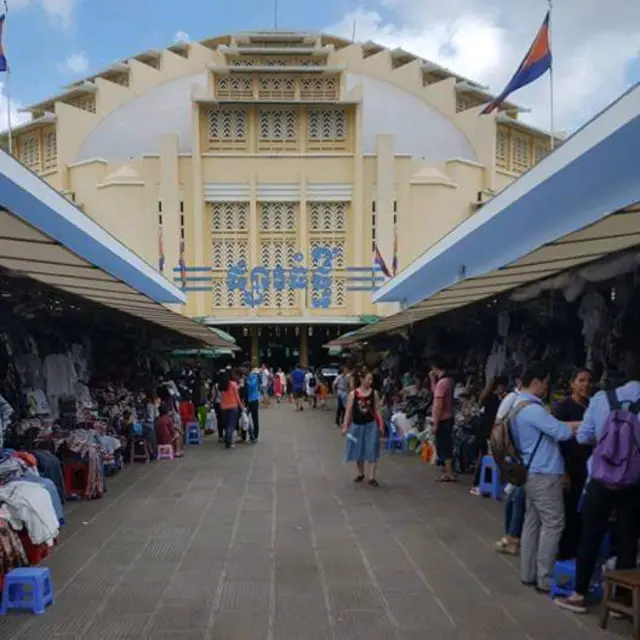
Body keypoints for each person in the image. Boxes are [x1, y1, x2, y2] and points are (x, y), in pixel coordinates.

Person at [556, 307, 640, 614]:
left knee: (590, 534)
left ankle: (578, 595)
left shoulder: (603, 399)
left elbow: (583, 437)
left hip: (600, 479)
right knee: (628, 540)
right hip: (634, 482)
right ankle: (623, 600)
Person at [510, 362, 578, 593]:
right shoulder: (533, 409)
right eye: (546, 383)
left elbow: (554, 427)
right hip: (544, 473)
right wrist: (586, 425)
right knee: (554, 523)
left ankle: (528, 573)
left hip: (530, 472)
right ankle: (545, 578)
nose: (548, 387)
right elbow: (560, 432)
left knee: (532, 522)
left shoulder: (517, 405)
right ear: (536, 382)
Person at [551, 368, 593, 560]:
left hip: (588, 467)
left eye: (588, 381)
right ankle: (564, 555)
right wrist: (564, 471)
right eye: (581, 380)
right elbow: (557, 441)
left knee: (583, 513)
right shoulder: (563, 408)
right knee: (568, 512)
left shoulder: (591, 406)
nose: (585, 384)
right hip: (569, 466)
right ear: (572, 383)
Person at [342, 368, 383, 487]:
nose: (370, 381)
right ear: (362, 379)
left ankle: (372, 476)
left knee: (372, 448)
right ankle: (361, 473)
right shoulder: (353, 394)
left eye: (371, 379)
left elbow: (377, 410)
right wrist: (345, 426)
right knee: (357, 449)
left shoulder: (374, 393)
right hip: (356, 425)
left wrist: (380, 424)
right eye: (368, 379)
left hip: (371, 425)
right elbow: (349, 412)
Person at [470, 376, 508, 496]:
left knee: (483, 457)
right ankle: (478, 484)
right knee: (485, 458)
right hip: (488, 431)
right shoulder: (495, 399)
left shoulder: (488, 397)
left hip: (483, 430)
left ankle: (478, 483)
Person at [430, 357, 456, 482]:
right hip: (448, 416)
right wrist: (432, 379)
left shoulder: (442, 383)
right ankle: (447, 472)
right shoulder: (448, 381)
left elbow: (438, 403)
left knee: (444, 446)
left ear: (435, 367)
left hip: (443, 418)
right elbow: (435, 392)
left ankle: (449, 473)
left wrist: (436, 422)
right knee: (445, 444)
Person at [219, 370, 244, 449]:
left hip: (223, 407)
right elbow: (237, 397)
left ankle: (227, 440)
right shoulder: (233, 384)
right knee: (231, 425)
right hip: (233, 406)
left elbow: (221, 398)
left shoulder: (220, 386)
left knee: (226, 425)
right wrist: (241, 406)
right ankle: (229, 442)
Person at [245, 365, 261, 443]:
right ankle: (250, 435)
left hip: (253, 400)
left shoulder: (253, 376)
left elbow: (252, 386)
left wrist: (246, 381)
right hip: (250, 400)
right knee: (245, 417)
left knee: (254, 419)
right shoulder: (250, 376)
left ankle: (255, 436)